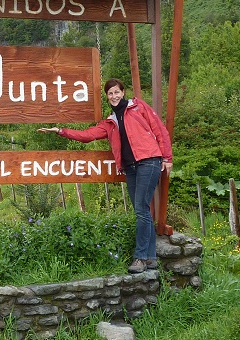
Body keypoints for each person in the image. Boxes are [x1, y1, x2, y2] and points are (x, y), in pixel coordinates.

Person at [38, 78, 173, 273]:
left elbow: (160, 130)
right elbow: (87, 135)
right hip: (131, 167)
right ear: (107, 97)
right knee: (141, 210)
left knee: (141, 210)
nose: (114, 96)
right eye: (110, 93)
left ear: (123, 92)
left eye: (117, 92)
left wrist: (167, 157)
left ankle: (141, 258)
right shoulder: (110, 122)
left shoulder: (138, 107)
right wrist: (60, 131)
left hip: (149, 160)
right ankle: (151, 258)